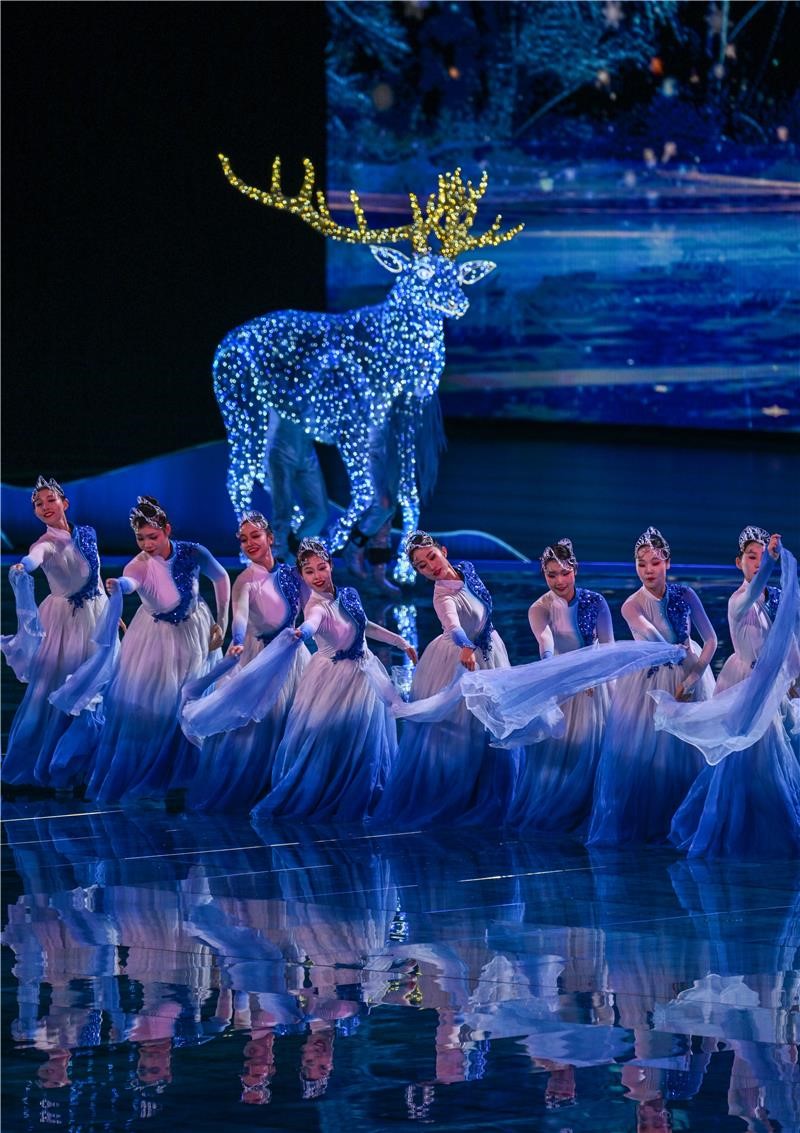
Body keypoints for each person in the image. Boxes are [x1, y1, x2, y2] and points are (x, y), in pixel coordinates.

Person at [251, 538, 417, 822]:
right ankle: (321, 792)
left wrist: (400, 642)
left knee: (365, 740)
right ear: (302, 576)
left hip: (365, 675)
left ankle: (359, 793)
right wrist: (302, 633)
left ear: (330, 565)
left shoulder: (349, 594)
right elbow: (311, 624)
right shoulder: (315, 607)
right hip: (334, 679)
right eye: (309, 572)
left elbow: (364, 625)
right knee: (327, 737)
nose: (317, 576)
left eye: (321, 567)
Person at [85, 496, 230, 805]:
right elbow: (130, 582)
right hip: (157, 639)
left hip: (195, 630)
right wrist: (119, 585)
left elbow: (221, 577)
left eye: (152, 536)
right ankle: (157, 773)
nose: (147, 544)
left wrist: (222, 621)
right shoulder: (137, 565)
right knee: (159, 706)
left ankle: (187, 773)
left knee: (190, 700)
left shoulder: (192, 552)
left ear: (167, 530)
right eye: (140, 538)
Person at [666, 530, 800, 857]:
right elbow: (756, 588)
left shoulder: (776, 598)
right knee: (745, 759)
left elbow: (790, 636)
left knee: (772, 760)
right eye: (751, 558)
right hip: (745, 684)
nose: (757, 564)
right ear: (739, 562)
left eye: (761, 558)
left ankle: (768, 825)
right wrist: (771, 561)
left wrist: (794, 676)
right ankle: (738, 828)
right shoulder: (739, 600)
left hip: (772, 685)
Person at [372, 531, 519, 827]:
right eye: (422, 566)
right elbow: (453, 625)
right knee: (462, 730)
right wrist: (466, 646)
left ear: (444, 552)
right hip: (459, 657)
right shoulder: (442, 596)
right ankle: (457, 795)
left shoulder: (467, 571)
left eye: (432, 557)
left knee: (493, 724)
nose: (431, 566)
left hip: (489, 649)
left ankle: (491, 792)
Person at [587, 527, 717, 847]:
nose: (648, 570)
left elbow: (712, 640)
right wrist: (680, 658)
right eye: (641, 564)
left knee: (688, 752)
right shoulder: (630, 605)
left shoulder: (686, 594)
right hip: (650, 682)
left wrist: (692, 678)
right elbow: (658, 642)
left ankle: (691, 820)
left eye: (655, 563)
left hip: (691, 674)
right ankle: (654, 822)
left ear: (667, 563)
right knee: (651, 753)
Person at [186, 512, 308, 812]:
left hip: (294, 657)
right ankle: (257, 788)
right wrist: (238, 638)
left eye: (255, 536)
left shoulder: (293, 575)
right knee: (261, 725)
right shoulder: (246, 580)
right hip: (261, 657)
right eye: (243, 539)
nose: (249, 543)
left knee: (295, 720)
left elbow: (315, 609)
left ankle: (288, 786)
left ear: (270, 538)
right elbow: (239, 615)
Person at [1, 476, 108, 789]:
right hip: (65, 624)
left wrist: (111, 614)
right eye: (38, 504)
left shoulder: (87, 533)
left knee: (97, 691)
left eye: (50, 500)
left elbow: (96, 575)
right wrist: (23, 566)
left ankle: (83, 766)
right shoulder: (44, 543)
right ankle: (52, 764)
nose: (45, 506)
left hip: (96, 618)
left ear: (65, 503)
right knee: (58, 693)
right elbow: (34, 558)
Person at [507, 538, 614, 832]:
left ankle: (594, 809)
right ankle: (559, 810)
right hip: (561, 683)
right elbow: (546, 642)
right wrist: (551, 669)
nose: (559, 581)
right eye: (551, 575)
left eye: (564, 573)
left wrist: (594, 676)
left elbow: (609, 647)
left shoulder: (596, 601)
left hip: (596, 683)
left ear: (575, 570)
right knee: (561, 752)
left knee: (594, 747)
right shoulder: (539, 608)